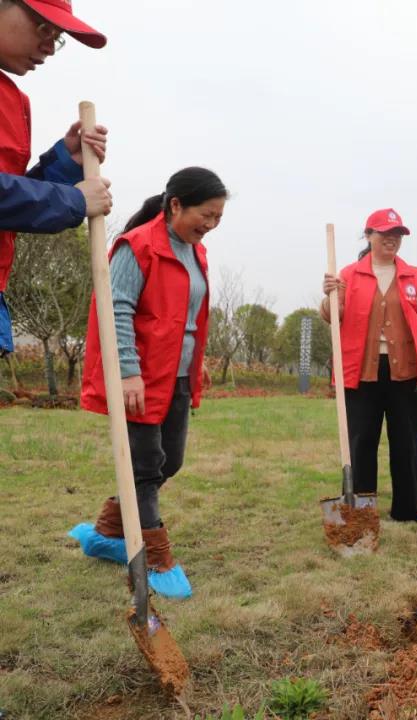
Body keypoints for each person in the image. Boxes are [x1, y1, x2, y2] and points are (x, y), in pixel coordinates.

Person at [69, 167, 228, 600]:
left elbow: (188, 317)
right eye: (206, 215)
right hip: (140, 377)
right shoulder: (137, 247)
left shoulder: (196, 253)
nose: (210, 225)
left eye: (218, 218)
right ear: (176, 204)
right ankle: (154, 555)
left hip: (176, 376)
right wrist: (127, 371)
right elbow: (115, 309)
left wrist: (198, 362)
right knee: (144, 466)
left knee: (168, 462)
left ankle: (106, 532)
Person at [0, 0, 111, 356]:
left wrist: (66, 162)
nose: (49, 47)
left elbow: (9, 208)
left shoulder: (13, 100)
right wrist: (74, 200)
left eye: (58, 37)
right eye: (43, 28)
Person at [320, 208, 417, 523]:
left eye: (397, 234)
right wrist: (329, 295)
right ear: (369, 235)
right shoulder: (347, 274)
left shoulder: (414, 275)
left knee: (407, 441)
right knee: (361, 442)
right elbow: (333, 314)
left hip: (407, 371)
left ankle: (411, 506)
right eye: (385, 233)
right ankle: (361, 507)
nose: (392, 240)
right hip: (362, 372)